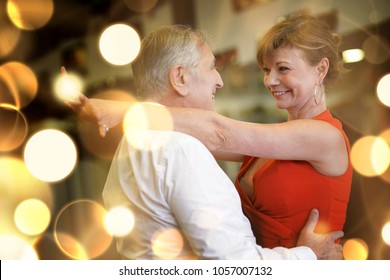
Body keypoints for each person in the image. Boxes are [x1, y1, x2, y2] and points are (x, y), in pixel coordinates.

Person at [67, 23, 345, 259]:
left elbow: (219, 133)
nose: (270, 80)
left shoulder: (325, 136)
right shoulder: (183, 148)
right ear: (180, 77)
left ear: (320, 70)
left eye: (282, 68)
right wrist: (307, 256)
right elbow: (236, 266)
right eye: (266, 69)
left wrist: (123, 111)